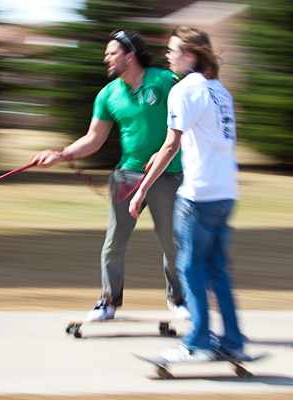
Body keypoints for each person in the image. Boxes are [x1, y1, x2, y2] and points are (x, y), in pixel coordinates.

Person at [31, 30, 190, 322]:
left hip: (168, 176)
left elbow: (190, 116)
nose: (106, 58)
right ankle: (108, 302)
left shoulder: (165, 81)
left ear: (130, 55)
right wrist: (61, 154)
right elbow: (93, 138)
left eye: (112, 52)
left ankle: (179, 300)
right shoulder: (108, 94)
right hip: (127, 176)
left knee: (172, 242)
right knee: (114, 242)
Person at [129, 26, 248, 361]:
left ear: (191, 55)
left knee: (191, 268)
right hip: (226, 192)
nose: (168, 55)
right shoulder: (220, 90)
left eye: (174, 50)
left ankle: (197, 344)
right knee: (217, 269)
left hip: (199, 195)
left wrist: (142, 190)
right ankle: (233, 341)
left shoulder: (183, 91)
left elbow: (171, 145)